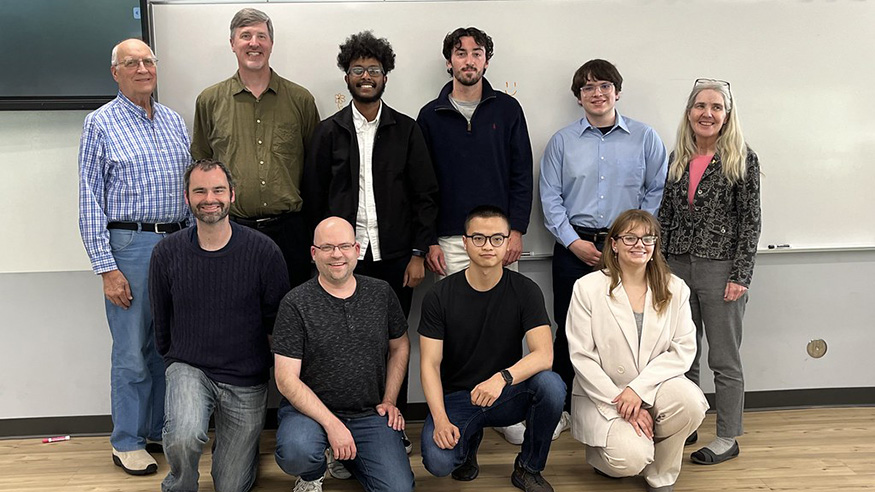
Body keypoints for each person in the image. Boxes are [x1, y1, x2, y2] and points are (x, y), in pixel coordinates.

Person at [78, 38, 190, 475]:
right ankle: (126, 440)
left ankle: (158, 430)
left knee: (167, 346)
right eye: (132, 63)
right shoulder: (99, 124)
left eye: (148, 61)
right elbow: (89, 199)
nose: (142, 68)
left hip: (178, 243)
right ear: (116, 72)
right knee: (130, 351)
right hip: (130, 245)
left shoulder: (174, 121)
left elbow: (189, 187)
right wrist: (106, 268)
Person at [539, 59, 668, 436]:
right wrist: (573, 242)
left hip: (629, 249)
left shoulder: (645, 138)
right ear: (579, 98)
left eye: (604, 86)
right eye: (588, 88)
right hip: (574, 249)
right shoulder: (562, 142)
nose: (597, 94)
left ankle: (633, 404)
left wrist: (631, 240)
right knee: (568, 328)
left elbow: (656, 192)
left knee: (630, 330)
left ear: (618, 92)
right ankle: (562, 408)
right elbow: (550, 197)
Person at [149, 160, 290, 492]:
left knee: (230, 485)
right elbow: (161, 320)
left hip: (245, 378)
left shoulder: (264, 251)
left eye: (217, 190)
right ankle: (180, 484)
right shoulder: (166, 253)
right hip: (189, 366)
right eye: (200, 190)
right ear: (187, 198)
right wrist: (174, 360)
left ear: (232, 195)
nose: (209, 198)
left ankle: (242, 452)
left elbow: (279, 324)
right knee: (183, 435)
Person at [419, 205, 565, 492]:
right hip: (459, 397)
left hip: (505, 393)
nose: (488, 246)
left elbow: (544, 355)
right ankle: (467, 447)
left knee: (551, 385)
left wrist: (502, 378)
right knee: (438, 463)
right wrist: (440, 419)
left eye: (497, 238)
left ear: (508, 242)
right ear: (464, 242)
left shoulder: (525, 290)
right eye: (479, 238)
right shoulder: (439, 295)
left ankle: (528, 468)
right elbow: (429, 364)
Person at [566, 209, 708, 492]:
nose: (639, 245)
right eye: (630, 238)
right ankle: (608, 454)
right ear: (614, 244)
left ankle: (661, 471)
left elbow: (683, 349)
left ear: (656, 246)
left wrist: (638, 390)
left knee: (691, 403)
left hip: (652, 387)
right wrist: (621, 399)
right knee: (628, 460)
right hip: (605, 392)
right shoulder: (587, 288)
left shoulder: (674, 288)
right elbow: (581, 356)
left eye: (648, 238)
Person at [658, 78, 761, 464]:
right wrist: (662, 268)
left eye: (716, 107)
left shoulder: (742, 158)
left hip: (722, 271)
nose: (707, 113)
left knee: (724, 358)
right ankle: (689, 421)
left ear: (727, 116)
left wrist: (741, 275)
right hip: (678, 266)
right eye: (701, 106)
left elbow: (751, 222)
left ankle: (727, 437)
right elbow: (665, 217)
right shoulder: (677, 158)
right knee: (684, 353)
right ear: (689, 113)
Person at [272, 217, 414, 492]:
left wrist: (389, 399)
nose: (337, 254)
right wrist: (333, 425)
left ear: (357, 250)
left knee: (399, 489)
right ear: (314, 254)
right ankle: (312, 473)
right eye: (327, 247)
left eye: (344, 246)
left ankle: (345, 457)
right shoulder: (295, 303)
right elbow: (285, 379)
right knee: (297, 452)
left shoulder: (381, 293)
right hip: (310, 414)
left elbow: (400, 345)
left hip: (368, 412)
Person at [191, 7, 320, 289]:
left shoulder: (300, 100)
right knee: (238, 314)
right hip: (232, 229)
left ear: (271, 44)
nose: (254, 43)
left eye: (261, 36)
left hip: (291, 231)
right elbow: (201, 166)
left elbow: (315, 169)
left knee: (290, 316)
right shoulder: (210, 101)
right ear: (232, 44)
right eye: (245, 35)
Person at [417, 27, 533, 277]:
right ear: (449, 62)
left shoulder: (508, 110)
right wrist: (429, 240)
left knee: (505, 313)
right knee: (455, 313)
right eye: (461, 53)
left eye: (477, 54)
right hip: (450, 239)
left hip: (500, 236)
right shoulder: (429, 116)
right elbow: (422, 185)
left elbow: (521, 174)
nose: (469, 61)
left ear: (486, 61)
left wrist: (517, 231)